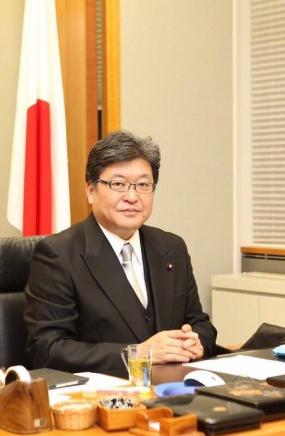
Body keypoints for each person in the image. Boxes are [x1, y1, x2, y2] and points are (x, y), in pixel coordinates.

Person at [24, 130, 217, 377]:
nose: (132, 197)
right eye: (118, 184)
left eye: (143, 185)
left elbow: (200, 323)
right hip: (104, 392)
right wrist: (139, 354)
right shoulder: (58, 254)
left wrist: (196, 342)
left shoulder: (172, 247)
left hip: (173, 388)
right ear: (91, 191)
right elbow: (47, 349)